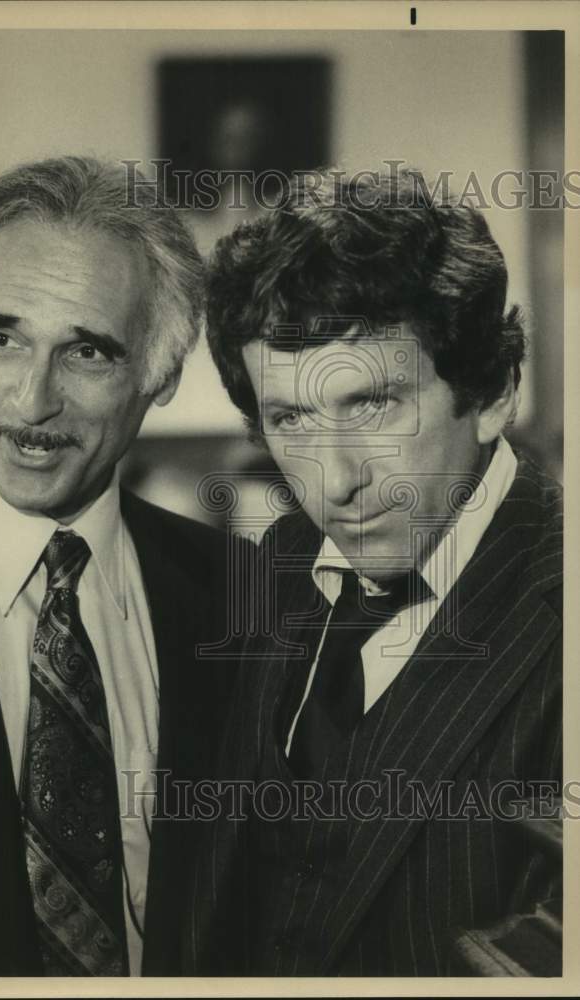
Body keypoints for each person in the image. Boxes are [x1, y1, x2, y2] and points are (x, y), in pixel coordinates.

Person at [0, 155, 245, 977]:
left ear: (161, 372)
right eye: (3, 337)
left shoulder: (244, 602)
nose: (32, 402)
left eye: (88, 354)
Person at [183, 166, 563, 975]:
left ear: (492, 393)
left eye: (372, 406)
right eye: (290, 419)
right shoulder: (281, 562)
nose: (335, 480)